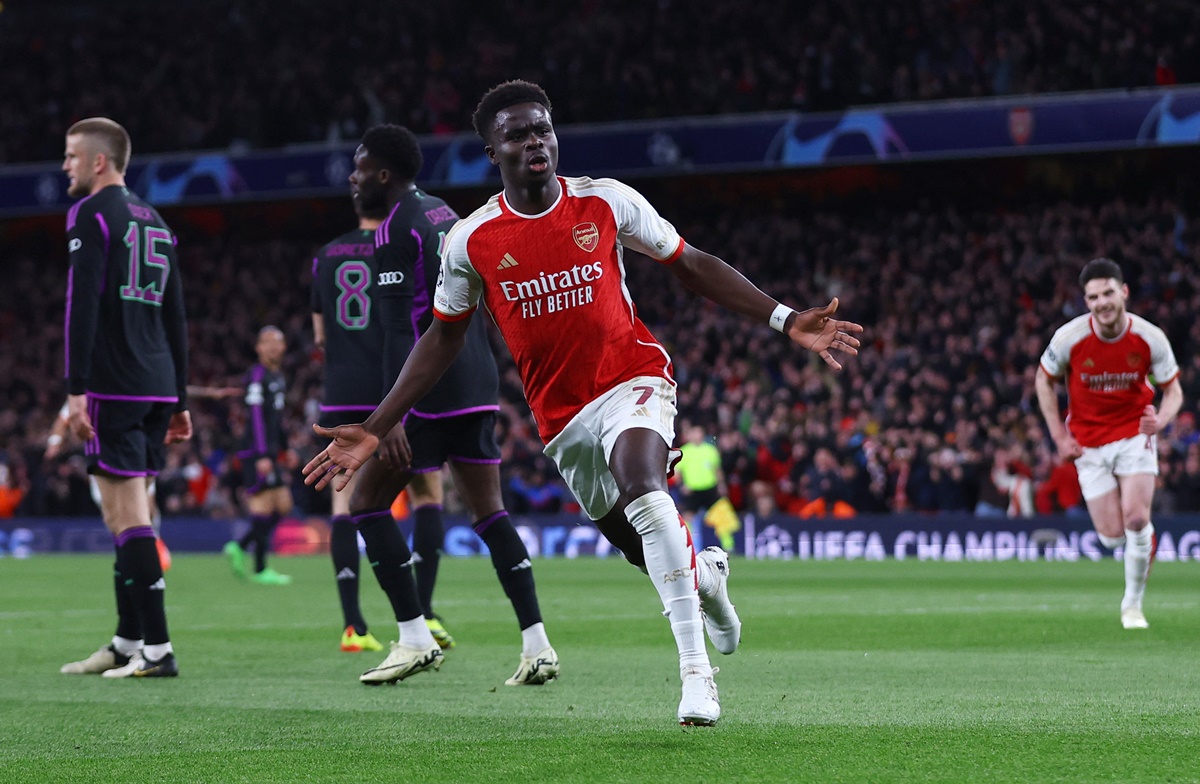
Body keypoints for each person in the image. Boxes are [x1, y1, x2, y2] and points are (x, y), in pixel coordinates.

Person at [304, 82, 863, 725]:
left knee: (645, 489)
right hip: (562, 419)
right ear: (493, 152)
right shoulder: (471, 240)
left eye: (543, 128)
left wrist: (786, 319)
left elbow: (690, 262)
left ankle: (695, 676)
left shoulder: (606, 200)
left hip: (632, 377)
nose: (535, 140)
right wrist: (379, 424)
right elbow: (443, 335)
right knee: (640, 546)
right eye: (518, 133)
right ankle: (706, 577)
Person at [327, 124, 559, 687]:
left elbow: (394, 329)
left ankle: (412, 636)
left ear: (383, 174)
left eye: (359, 169)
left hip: (428, 394)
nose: (353, 179)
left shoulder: (393, 229)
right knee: (489, 514)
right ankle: (538, 645)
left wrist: (390, 417)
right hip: (476, 385)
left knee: (366, 504)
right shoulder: (445, 215)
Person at [57, 118, 191, 678]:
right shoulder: (156, 221)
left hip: (114, 382)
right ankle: (126, 639)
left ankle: (157, 650)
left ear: (98, 161)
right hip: (158, 383)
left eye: (70, 155)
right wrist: (180, 397)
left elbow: (79, 305)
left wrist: (75, 391)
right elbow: (175, 315)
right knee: (132, 516)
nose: (64, 165)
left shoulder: (89, 215)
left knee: (125, 515)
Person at [310, 193, 453, 653]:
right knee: (428, 492)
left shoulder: (327, 254)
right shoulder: (404, 241)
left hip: (342, 390)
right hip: (396, 386)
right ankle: (425, 614)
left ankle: (354, 626)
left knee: (343, 504)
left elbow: (318, 335)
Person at [1035, 258, 1183, 629]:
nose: (1101, 302)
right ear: (1086, 300)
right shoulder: (1070, 337)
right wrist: (1058, 436)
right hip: (1087, 443)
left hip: (1134, 434)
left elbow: (1174, 391)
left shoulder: (1150, 338)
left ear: (1124, 292)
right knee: (1112, 538)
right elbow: (1043, 380)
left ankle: (1132, 606)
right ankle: (1142, 541)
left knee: (1136, 518)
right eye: (1093, 296)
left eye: (1108, 293)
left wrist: (1159, 421)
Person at [46, 399, 172, 570]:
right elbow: (63, 420)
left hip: (135, 454)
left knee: (146, 506)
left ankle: (154, 544)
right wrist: (54, 442)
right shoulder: (84, 395)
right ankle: (129, 550)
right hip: (102, 461)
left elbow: (168, 388)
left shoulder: (129, 384)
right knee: (113, 514)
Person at [222, 326, 294, 585]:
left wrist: (287, 449)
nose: (274, 346)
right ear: (259, 348)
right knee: (264, 506)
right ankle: (261, 567)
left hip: (271, 452)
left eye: (278, 341)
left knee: (283, 505)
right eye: (268, 342)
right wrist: (262, 453)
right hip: (256, 451)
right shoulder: (257, 375)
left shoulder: (278, 377)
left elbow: (279, 420)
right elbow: (255, 418)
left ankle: (240, 546)